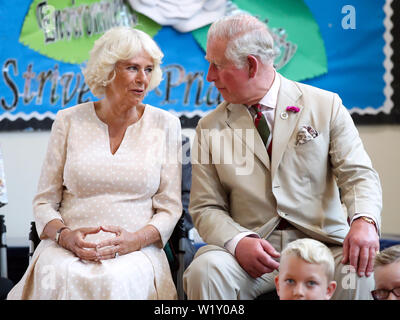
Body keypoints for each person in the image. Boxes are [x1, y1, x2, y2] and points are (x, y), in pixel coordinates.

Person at [183, 14, 382, 300]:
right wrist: (239, 241)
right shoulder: (209, 126)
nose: (209, 76)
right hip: (251, 256)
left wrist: (364, 220)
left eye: (217, 65)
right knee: (205, 270)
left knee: (360, 272)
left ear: (251, 65)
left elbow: (358, 175)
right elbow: (205, 207)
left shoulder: (327, 105)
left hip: (323, 247)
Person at [8, 26, 182, 299]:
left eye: (149, 70)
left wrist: (135, 240)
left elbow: (170, 208)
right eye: (133, 68)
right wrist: (65, 237)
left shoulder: (166, 125)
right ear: (109, 70)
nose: (142, 79)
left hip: (135, 250)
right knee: (57, 274)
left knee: (116, 280)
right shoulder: (68, 120)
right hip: (67, 247)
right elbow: (44, 201)